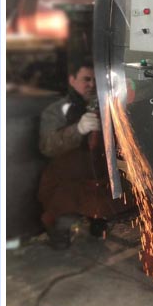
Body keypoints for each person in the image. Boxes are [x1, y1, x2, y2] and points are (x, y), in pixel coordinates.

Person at [38, 56, 131, 249]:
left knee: (113, 204)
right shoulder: (56, 111)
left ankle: (99, 224)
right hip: (66, 178)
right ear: (72, 80)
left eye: (95, 80)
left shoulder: (107, 107)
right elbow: (47, 147)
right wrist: (78, 129)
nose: (91, 85)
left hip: (97, 174)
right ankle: (60, 233)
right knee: (63, 213)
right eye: (86, 79)